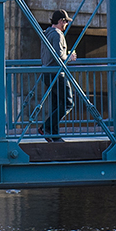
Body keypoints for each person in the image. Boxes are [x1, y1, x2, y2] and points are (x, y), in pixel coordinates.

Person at [41, 9, 76, 142]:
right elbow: (59, 56)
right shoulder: (57, 34)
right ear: (61, 21)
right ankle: (46, 127)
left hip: (47, 73)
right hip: (57, 73)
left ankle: (54, 134)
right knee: (68, 103)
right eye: (66, 22)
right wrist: (70, 57)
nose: (66, 24)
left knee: (56, 104)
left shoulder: (46, 33)